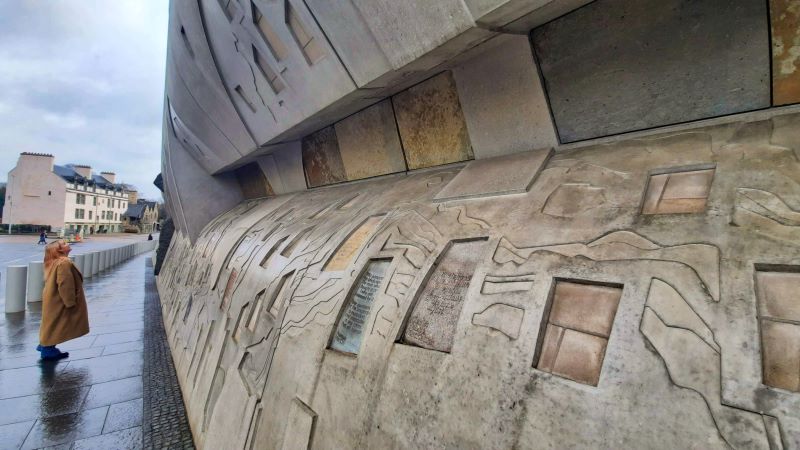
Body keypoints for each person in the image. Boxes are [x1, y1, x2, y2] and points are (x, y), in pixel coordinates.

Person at [37, 240, 89, 361]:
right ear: (59, 250)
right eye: (64, 244)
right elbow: (65, 284)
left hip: (53, 298)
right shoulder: (64, 263)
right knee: (58, 323)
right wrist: (70, 302)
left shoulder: (54, 262)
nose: (67, 244)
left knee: (52, 322)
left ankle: (46, 345)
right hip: (60, 300)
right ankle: (47, 349)